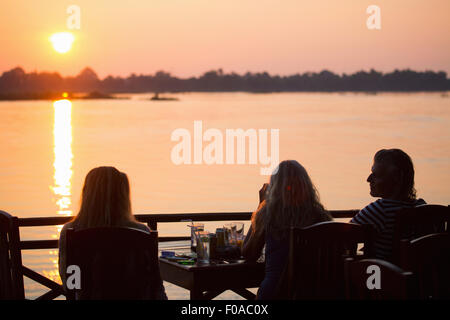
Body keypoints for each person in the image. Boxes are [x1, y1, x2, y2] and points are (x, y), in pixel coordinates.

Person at [58, 166, 167, 299]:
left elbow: (69, 282)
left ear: (86, 193)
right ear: (122, 196)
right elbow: (154, 284)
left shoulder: (71, 232)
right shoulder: (141, 233)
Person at [242, 160, 332, 300]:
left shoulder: (268, 214)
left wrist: (261, 205)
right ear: (307, 185)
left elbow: (249, 253)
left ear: (274, 188)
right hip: (314, 292)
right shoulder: (320, 216)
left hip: (276, 293)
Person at [351, 149, 426, 260]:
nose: (368, 179)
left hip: (380, 274)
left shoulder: (380, 209)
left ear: (396, 178)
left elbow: (344, 236)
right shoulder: (422, 208)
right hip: (416, 273)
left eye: (376, 175)